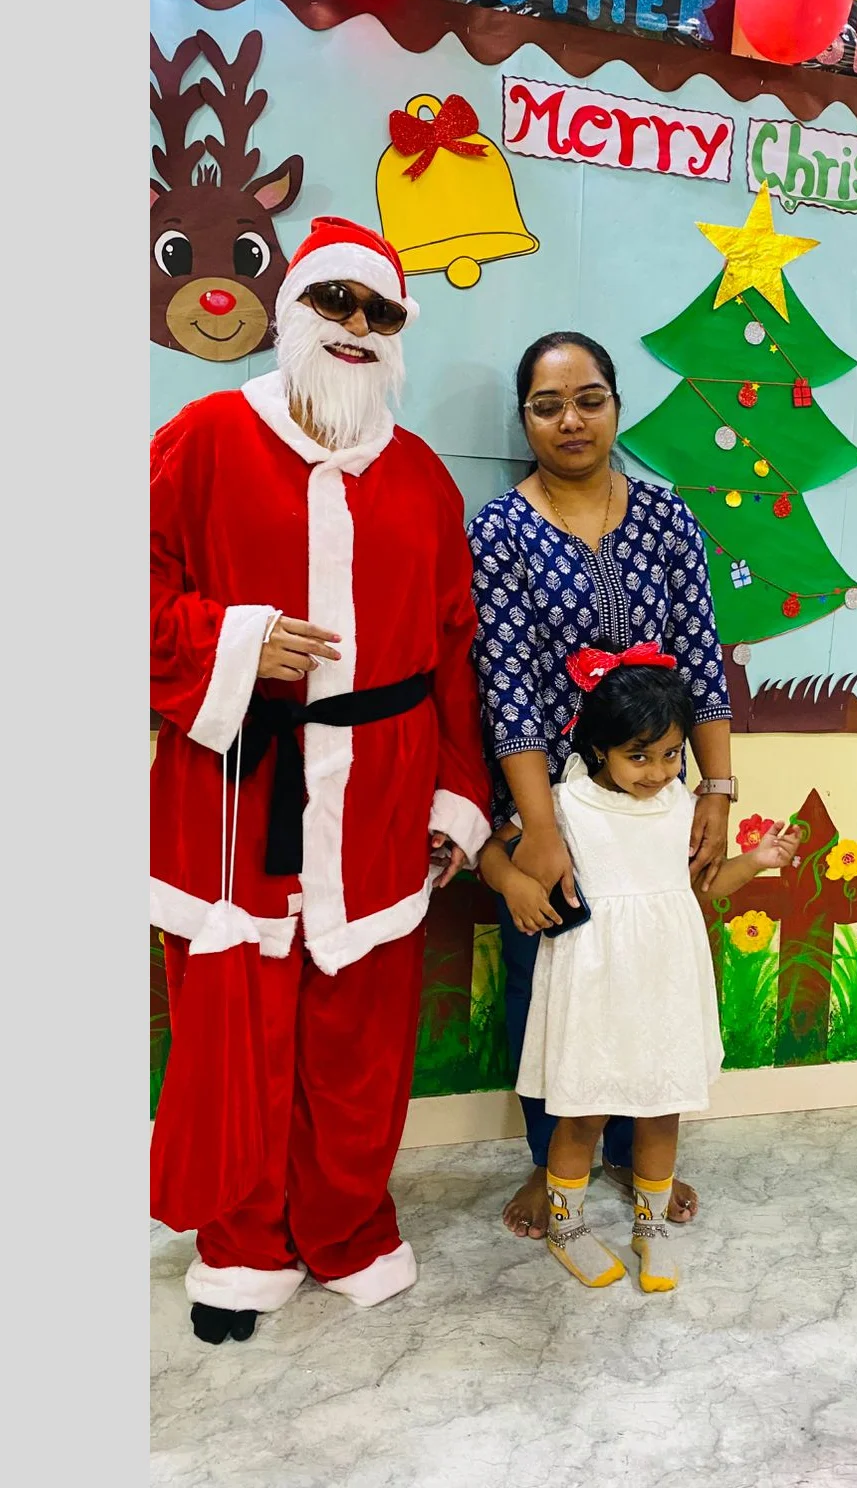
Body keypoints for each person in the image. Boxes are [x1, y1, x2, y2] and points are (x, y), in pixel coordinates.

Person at [150, 216, 492, 1345]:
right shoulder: (204, 437)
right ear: (292, 309)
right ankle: (243, 1245)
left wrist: (456, 796)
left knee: (360, 1035)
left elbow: (455, 651)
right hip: (239, 788)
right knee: (236, 1030)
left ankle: (346, 1228)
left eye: (379, 311)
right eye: (335, 300)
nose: (355, 325)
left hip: (382, 793)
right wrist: (237, 642)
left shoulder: (422, 476)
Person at [467, 333, 737, 1240]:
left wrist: (715, 788)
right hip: (547, 798)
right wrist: (540, 830)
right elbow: (505, 685)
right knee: (550, 976)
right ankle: (554, 1162)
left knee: (647, 971)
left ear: (617, 405)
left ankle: (633, 1151)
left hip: (653, 793)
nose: (571, 420)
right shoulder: (499, 532)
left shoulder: (665, 516)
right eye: (547, 406)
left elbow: (700, 656)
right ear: (526, 420)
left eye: (589, 400)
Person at [480, 646, 800, 1292]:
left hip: (665, 984)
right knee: (583, 1111)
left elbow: (703, 887)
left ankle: (649, 1228)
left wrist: (757, 861)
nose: (658, 772)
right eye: (640, 756)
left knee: (662, 1108)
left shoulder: (681, 806)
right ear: (599, 748)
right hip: (595, 984)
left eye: (672, 754)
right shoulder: (565, 803)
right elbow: (493, 852)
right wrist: (515, 885)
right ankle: (568, 1227)